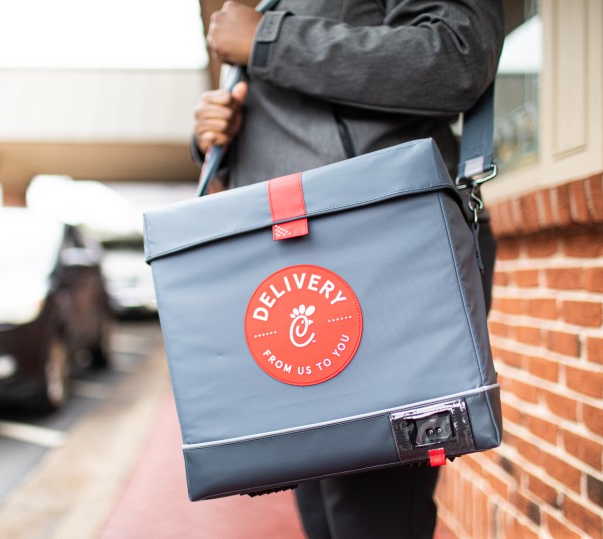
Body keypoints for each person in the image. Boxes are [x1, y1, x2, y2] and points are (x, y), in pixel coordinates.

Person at [191, 1, 504, 537]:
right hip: (287, 268)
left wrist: (269, 40)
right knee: (325, 516)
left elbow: (458, 54)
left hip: (375, 256)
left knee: (372, 515)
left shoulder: (268, 23)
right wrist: (218, 135)